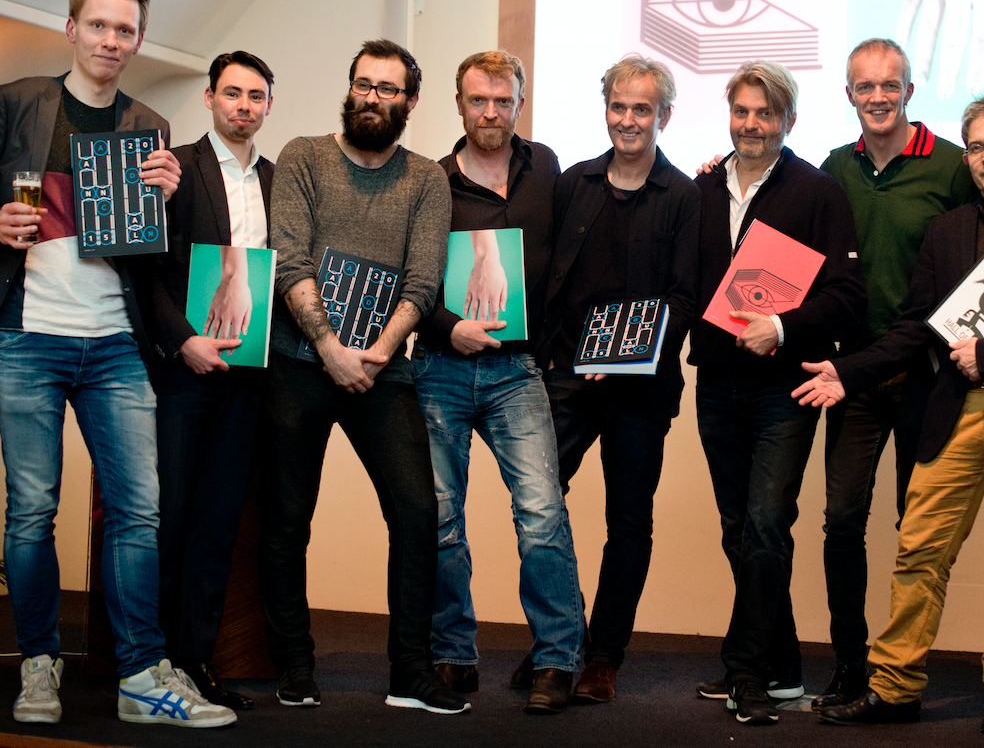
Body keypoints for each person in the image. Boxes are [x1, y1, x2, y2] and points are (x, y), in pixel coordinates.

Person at [0, 0, 235, 728]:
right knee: (31, 511)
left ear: (139, 42)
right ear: (72, 29)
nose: (111, 40)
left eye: (125, 30)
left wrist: (167, 199)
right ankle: (38, 662)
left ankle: (141, 675)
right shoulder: (16, 101)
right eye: (99, 25)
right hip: (24, 336)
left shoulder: (149, 124)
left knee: (138, 510)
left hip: (114, 343)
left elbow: (150, 250)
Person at [802, 97, 984, 734]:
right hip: (955, 409)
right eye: (975, 147)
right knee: (919, 551)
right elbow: (916, 326)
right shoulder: (945, 231)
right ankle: (894, 688)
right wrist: (850, 371)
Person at [260, 39, 467, 715]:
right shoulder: (303, 156)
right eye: (363, 84)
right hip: (299, 365)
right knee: (287, 520)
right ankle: (295, 665)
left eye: (387, 88)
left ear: (411, 100)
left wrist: (373, 353)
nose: (372, 97)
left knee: (417, 513)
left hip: (384, 371)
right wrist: (329, 348)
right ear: (350, 89)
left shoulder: (426, 179)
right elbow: (289, 261)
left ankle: (410, 671)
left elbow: (423, 280)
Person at [691, 60, 865, 725]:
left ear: (788, 120)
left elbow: (847, 297)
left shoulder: (817, 192)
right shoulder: (702, 188)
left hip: (781, 390)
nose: (751, 124)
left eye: (765, 113)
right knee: (740, 530)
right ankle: (783, 665)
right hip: (716, 386)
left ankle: (746, 673)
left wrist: (782, 326)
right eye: (742, 111)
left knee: (766, 524)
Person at [412, 51, 583, 714]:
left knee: (542, 514)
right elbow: (409, 276)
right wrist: (447, 325)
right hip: (441, 366)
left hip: (518, 371)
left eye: (502, 101)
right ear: (459, 104)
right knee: (441, 520)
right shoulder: (431, 182)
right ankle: (453, 655)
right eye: (478, 100)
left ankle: (556, 660)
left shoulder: (548, 170)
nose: (490, 112)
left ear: (520, 103)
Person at [811, 37, 975, 708]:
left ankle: (900, 669)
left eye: (889, 85)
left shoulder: (953, 165)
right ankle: (851, 663)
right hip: (850, 376)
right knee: (841, 522)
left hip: (927, 378)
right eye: (865, 86)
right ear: (849, 95)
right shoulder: (833, 168)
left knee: (918, 530)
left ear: (909, 90)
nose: (877, 97)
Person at [536, 54, 700, 705]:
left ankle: (603, 657)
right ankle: (561, 640)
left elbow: (684, 298)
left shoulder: (683, 196)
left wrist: (632, 353)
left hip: (641, 389)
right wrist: (550, 354)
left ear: (664, 116)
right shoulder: (572, 183)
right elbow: (550, 277)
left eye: (642, 109)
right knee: (539, 506)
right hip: (567, 379)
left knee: (628, 522)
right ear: (606, 109)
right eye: (618, 106)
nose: (628, 120)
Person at [147, 50, 277, 712]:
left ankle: (195, 661)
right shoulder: (174, 170)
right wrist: (183, 341)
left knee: (219, 524)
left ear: (268, 106)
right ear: (209, 98)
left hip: (248, 380)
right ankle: (150, 663)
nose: (243, 106)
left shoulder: (280, 181)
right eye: (232, 93)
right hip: (184, 372)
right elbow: (145, 271)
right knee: (169, 520)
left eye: (255, 96)